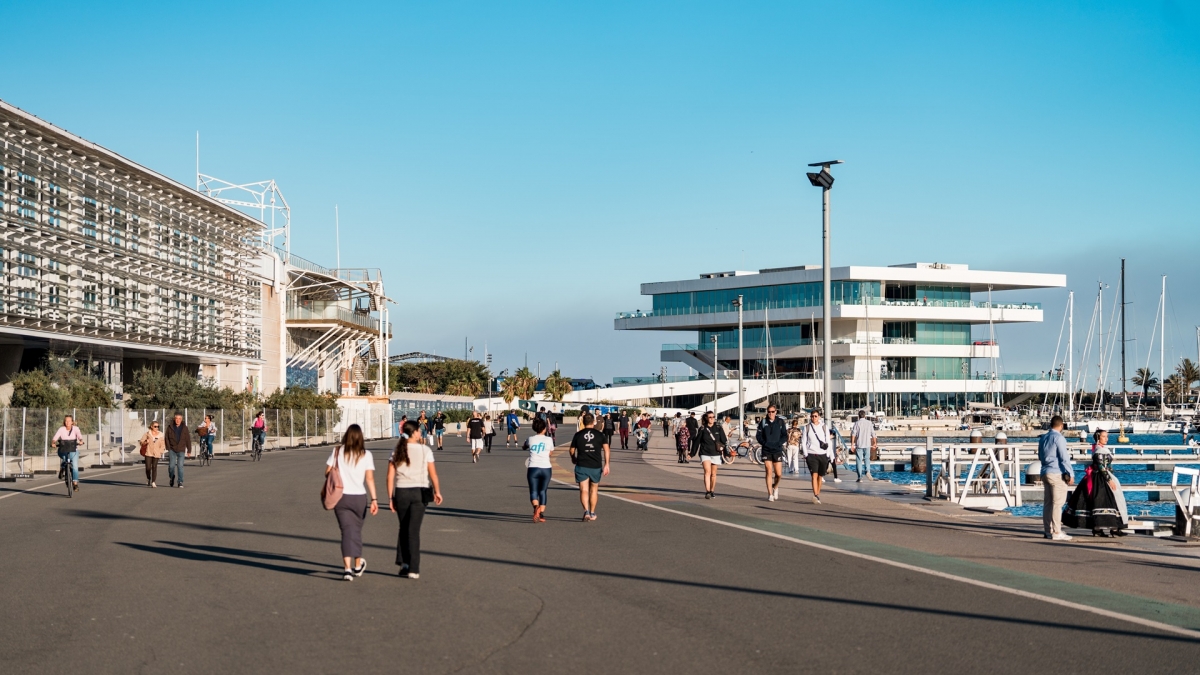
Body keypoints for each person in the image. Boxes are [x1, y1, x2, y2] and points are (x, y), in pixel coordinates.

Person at [387, 420, 442, 580]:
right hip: (419, 492)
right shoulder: (425, 450)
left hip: (402, 492)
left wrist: (390, 496)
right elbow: (433, 474)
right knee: (414, 531)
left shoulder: (397, 449)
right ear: (415, 432)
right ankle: (414, 567)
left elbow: (390, 476)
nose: (420, 434)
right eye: (419, 431)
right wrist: (437, 491)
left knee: (403, 527)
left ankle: (404, 562)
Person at [326, 424, 379, 580]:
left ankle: (347, 569)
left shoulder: (337, 451)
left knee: (346, 531)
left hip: (340, 497)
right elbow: (369, 478)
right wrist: (374, 499)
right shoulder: (366, 454)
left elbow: (327, 472)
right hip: (359, 497)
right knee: (355, 531)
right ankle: (357, 565)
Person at [1063, 429, 1127, 537]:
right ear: (1098, 438)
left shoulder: (1101, 449)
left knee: (1111, 502)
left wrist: (1111, 475)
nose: (1106, 438)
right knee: (1102, 503)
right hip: (1100, 479)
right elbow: (1102, 467)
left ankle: (1112, 527)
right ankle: (1103, 528)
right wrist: (1109, 480)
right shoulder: (1098, 451)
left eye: (1106, 436)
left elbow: (1107, 466)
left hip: (1104, 477)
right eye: (1104, 436)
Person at [1038, 415, 1075, 541]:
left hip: (1044, 472)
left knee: (1048, 503)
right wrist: (1070, 473)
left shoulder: (1043, 438)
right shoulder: (1059, 438)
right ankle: (1057, 531)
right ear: (1061, 425)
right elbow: (1064, 457)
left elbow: (1040, 456)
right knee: (1057, 504)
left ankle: (1048, 530)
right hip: (1057, 473)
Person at [568, 413, 610, 521]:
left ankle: (586, 511)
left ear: (583, 422)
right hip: (595, 465)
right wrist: (607, 464)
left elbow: (572, 450)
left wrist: (573, 458)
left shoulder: (578, 435)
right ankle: (592, 512)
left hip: (582, 464)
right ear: (594, 422)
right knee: (594, 489)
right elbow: (606, 450)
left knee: (584, 489)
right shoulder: (600, 435)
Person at [801, 409, 834, 504]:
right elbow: (803, 441)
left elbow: (828, 441)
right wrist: (806, 454)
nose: (813, 418)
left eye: (815, 416)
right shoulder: (807, 427)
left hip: (822, 454)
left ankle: (817, 494)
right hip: (811, 454)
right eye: (812, 416)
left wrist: (828, 454)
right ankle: (816, 495)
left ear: (819, 417)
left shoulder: (824, 427)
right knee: (814, 475)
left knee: (820, 476)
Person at [524, 417, 554, 522]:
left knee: (533, 491)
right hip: (546, 467)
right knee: (543, 491)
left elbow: (524, 446)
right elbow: (550, 453)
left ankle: (535, 507)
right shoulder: (549, 439)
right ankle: (541, 514)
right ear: (544, 428)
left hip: (533, 467)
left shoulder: (531, 439)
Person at [756, 405, 788, 501]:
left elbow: (784, 435)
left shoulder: (780, 422)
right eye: (769, 412)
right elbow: (758, 435)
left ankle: (775, 487)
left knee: (779, 474)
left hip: (777, 449)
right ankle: (770, 494)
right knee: (768, 471)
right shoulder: (763, 422)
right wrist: (765, 443)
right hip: (766, 450)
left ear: (776, 412)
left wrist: (779, 443)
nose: (771, 413)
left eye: (772, 411)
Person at [695, 411, 728, 499]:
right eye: (710, 417)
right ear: (706, 418)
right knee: (707, 472)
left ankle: (712, 490)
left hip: (716, 453)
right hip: (705, 452)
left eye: (713, 417)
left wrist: (726, 452)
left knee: (713, 474)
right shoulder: (702, 428)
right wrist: (691, 453)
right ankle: (707, 491)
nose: (712, 419)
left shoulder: (718, 428)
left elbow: (724, 440)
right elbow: (697, 441)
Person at [51, 415, 84, 493]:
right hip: (63, 450)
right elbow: (55, 437)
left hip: (73, 450)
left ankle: (75, 483)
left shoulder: (76, 429)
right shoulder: (61, 429)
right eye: (66, 421)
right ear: (64, 422)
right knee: (65, 459)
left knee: (75, 466)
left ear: (72, 422)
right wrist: (53, 443)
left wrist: (81, 441)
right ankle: (62, 468)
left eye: (69, 421)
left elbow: (79, 435)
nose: (67, 422)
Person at [164, 413, 191, 488]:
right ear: (174, 419)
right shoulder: (170, 427)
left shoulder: (184, 428)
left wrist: (189, 450)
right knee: (171, 466)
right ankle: (171, 477)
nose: (178, 420)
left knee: (180, 466)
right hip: (172, 449)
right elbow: (166, 438)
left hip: (181, 449)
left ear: (181, 420)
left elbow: (188, 439)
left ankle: (180, 481)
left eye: (179, 419)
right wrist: (168, 448)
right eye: (176, 418)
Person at [851, 410, 877, 482]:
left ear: (858, 416)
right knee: (867, 459)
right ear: (865, 416)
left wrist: (852, 444)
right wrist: (875, 443)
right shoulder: (869, 423)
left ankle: (860, 477)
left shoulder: (857, 423)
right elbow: (873, 434)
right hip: (867, 444)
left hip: (859, 444)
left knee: (859, 460)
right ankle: (867, 471)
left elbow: (853, 434)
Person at [139, 420, 166, 487]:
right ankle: (148, 478)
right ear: (151, 426)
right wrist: (146, 441)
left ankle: (153, 481)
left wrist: (161, 451)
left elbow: (163, 444)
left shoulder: (161, 435)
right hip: (148, 452)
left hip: (157, 453)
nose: (157, 428)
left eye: (158, 426)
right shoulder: (147, 434)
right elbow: (141, 442)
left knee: (154, 467)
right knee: (148, 467)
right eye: (155, 426)